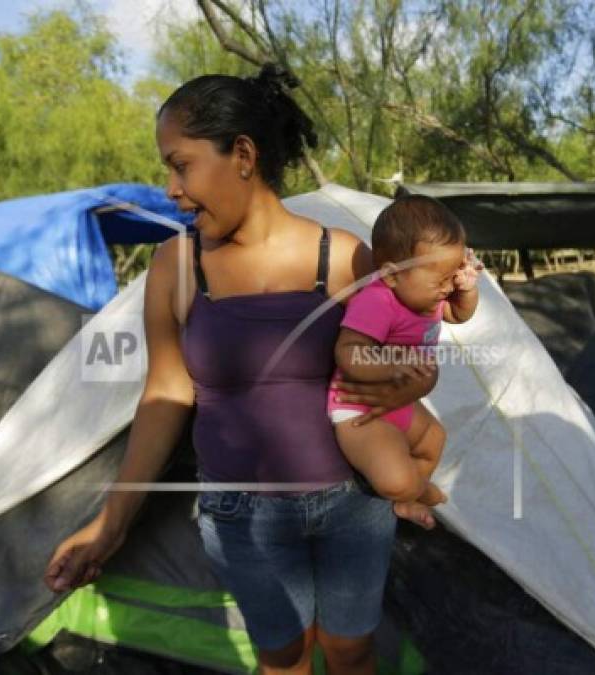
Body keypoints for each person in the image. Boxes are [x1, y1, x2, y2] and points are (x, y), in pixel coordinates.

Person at [43, 64, 439, 675]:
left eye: (181, 164)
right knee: (282, 658)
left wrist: (415, 384)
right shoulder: (176, 267)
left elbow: (393, 361)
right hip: (239, 519)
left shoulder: (343, 257)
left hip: (352, 507)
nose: (172, 189)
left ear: (243, 155)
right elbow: (167, 393)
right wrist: (109, 525)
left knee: (351, 651)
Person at [327, 196, 481, 518]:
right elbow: (348, 352)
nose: (447, 287)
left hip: (400, 403)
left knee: (433, 441)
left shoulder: (431, 297)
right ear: (393, 275)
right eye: (441, 279)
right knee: (396, 477)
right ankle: (416, 491)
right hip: (360, 409)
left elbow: (459, 313)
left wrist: (467, 289)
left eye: (454, 275)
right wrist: (391, 366)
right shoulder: (378, 302)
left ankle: (406, 501)